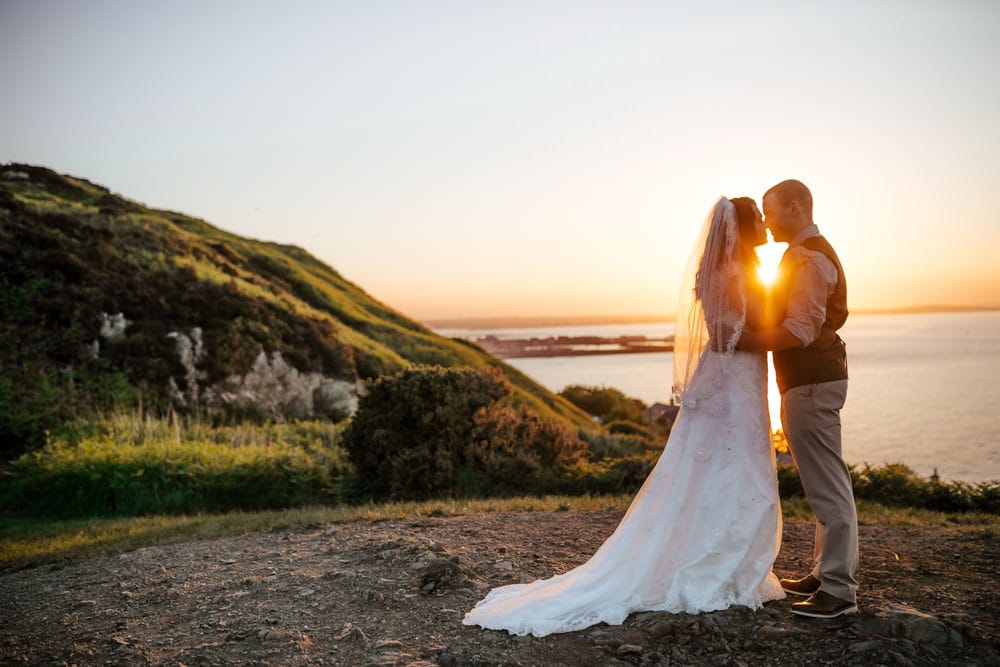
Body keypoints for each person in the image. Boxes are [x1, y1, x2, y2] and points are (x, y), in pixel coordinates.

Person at [463, 197, 784, 637]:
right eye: (759, 220)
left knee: (715, 467)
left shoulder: (717, 273)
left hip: (730, 378)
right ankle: (720, 565)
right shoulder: (733, 274)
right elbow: (732, 336)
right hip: (734, 379)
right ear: (742, 229)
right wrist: (785, 334)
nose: (765, 225)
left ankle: (724, 557)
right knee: (737, 464)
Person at [738, 179, 859, 619]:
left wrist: (742, 340)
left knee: (827, 486)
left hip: (811, 382)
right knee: (825, 479)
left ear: (794, 207)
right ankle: (824, 572)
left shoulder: (808, 258)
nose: (767, 223)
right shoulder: (803, 254)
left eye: (771, 212)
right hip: (810, 381)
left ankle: (840, 592)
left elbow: (800, 330)